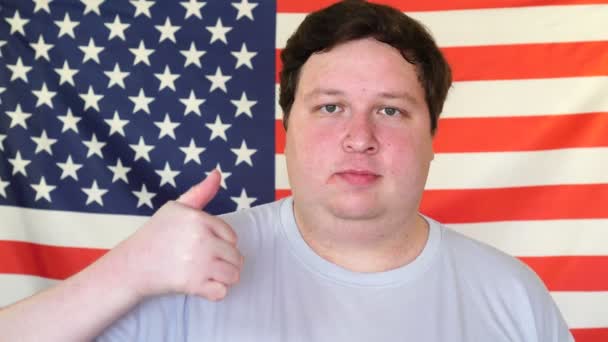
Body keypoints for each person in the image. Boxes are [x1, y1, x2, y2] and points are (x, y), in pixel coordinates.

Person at [0, 1, 574, 341]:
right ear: (287, 128)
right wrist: (122, 274)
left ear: (433, 140)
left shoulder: (513, 297)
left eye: (391, 111)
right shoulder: (186, 268)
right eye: (330, 107)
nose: (359, 137)